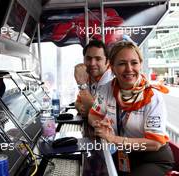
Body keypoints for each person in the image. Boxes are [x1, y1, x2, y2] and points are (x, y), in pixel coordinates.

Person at [88, 41, 174, 175]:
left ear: (140, 64)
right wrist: (99, 125)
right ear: (112, 67)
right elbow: (93, 114)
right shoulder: (106, 89)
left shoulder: (152, 96)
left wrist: (114, 139)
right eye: (122, 63)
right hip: (125, 155)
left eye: (134, 63)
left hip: (153, 158)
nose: (129, 69)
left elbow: (155, 143)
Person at [74, 40, 113, 117]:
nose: (92, 63)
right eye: (88, 58)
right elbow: (77, 102)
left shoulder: (112, 80)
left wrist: (82, 85)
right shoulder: (90, 76)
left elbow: (95, 112)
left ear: (107, 62)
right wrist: (80, 107)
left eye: (98, 59)